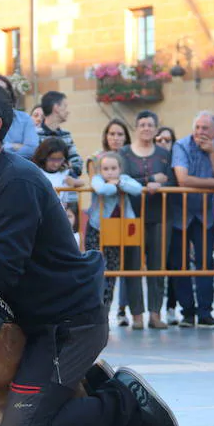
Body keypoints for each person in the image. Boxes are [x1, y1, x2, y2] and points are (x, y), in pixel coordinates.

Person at [0, 78, 180, 426]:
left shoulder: (18, 182)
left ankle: (123, 400)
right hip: (20, 327)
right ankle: (82, 380)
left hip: (66, 323)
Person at [170, 111, 214, 330]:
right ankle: (187, 312)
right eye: (197, 127)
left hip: (205, 214)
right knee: (180, 263)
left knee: (206, 262)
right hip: (181, 213)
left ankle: (206, 313)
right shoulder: (181, 145)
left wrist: (213, 153)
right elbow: (183, 179)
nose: (200, 132)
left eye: (205, 128)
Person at [120, 111, 172, 329]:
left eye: (150, 124)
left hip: (160, 215)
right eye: (142, 124)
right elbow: (121, 179)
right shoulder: (124, 153)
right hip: (131, 215)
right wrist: (149, 181)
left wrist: (160, 185)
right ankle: (137, 316)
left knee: (157, 266)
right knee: (132, 266)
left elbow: (172, 180)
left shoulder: (164, 154)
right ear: (136, 127)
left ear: (156, 127)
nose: (146, 128)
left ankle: (155, 313)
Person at [85, 152, 143, 316]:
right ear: (100, 170)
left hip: (118, 231)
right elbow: (102, 189)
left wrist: (120, 182)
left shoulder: (123, 178)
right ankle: (92, 312)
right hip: (98, 229)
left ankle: (105, 312)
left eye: (113, 168)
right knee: (96, 271)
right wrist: (115, 185)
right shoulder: (97, 178)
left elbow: (137, 189)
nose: (110, 172)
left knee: (111, 273)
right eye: (106, 169)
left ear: (120, 168)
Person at [155, 126, 180, 326]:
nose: (163, 143)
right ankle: (123, 310)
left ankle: (171, 307)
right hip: (148, 216)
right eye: (160, 139)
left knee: (171, 263)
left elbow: (174, 183)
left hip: (170, 217)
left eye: (168, 140)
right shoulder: (149, 159)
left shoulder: (174, 163)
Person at [36, 91, 82, 178]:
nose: (67, 111)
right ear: (56, 108)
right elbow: (35, 163)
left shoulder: (66, 135)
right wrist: (64, 165)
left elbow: (77, 162)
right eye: (65, 106)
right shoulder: (35, 135)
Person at [0, 75, 38, 159]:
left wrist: (4, 149)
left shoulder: (24, 119)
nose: (0, 93)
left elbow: (32, 149)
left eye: (4, 89)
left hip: (18, 170)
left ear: (10, 93)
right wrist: (15, 146)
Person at [31, 138, 83, 206]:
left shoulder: (65, 171)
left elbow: (82, 183)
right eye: (52, 159)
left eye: (60, 159)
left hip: (61, 210)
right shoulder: (37, 172)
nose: (56, 164)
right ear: (43, 157)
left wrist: (74, 182)